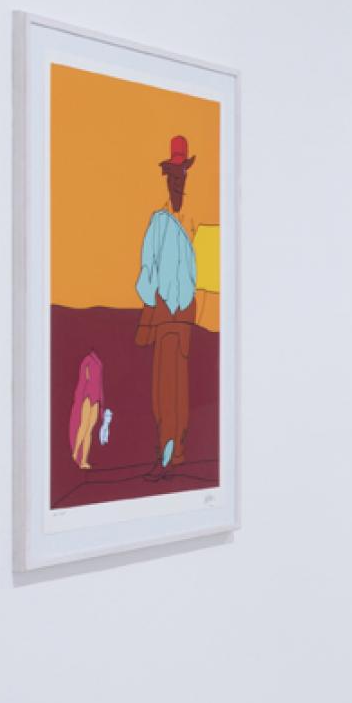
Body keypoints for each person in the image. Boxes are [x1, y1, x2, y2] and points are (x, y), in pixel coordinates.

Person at [134, 137, 202, 478]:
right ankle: (165, 452)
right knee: (164, 390)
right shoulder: (159, 221)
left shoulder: (192, 222)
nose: (178, 181)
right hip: (164, 314)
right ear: (167, 178)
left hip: (184, 315)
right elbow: (147, 267)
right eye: (173, 175)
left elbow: (202, 270)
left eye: (182, 175)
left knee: (179, 390)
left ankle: (176, 454)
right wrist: (153, 300)